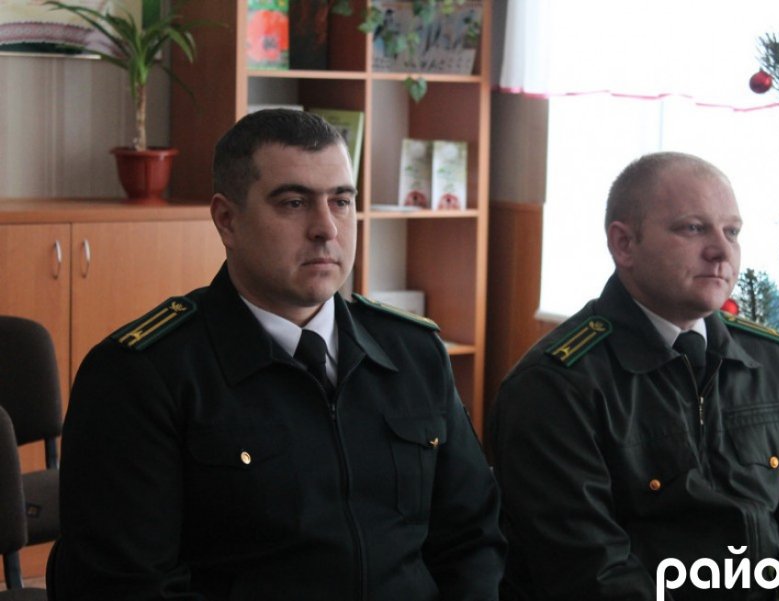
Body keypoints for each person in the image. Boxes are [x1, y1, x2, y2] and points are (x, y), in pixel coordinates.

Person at [52, 109, 505, 601]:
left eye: (341, 201)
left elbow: (473, 540)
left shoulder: (414, 353)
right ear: (227, 220)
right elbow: (126, 586)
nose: (326, 228)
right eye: (294, 203)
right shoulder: (141, 376)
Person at [486, 152, 779, 601]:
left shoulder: (768, 361)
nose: (722, 251)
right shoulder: (554, 387)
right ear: (624, 244)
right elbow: (591, 575)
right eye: (693, 228)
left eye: (732, 232)